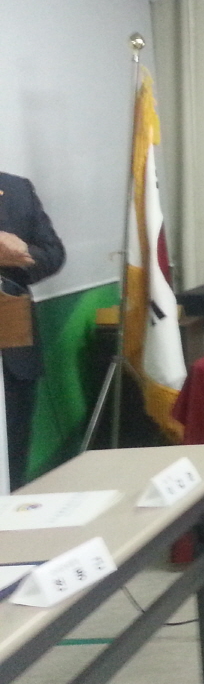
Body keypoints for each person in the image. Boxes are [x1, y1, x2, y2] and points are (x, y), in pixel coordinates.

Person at [0, 173, 65, 490]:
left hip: (12, 346)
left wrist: (22, 252)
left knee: (13, 453)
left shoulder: (16, 189)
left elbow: (53, 254)